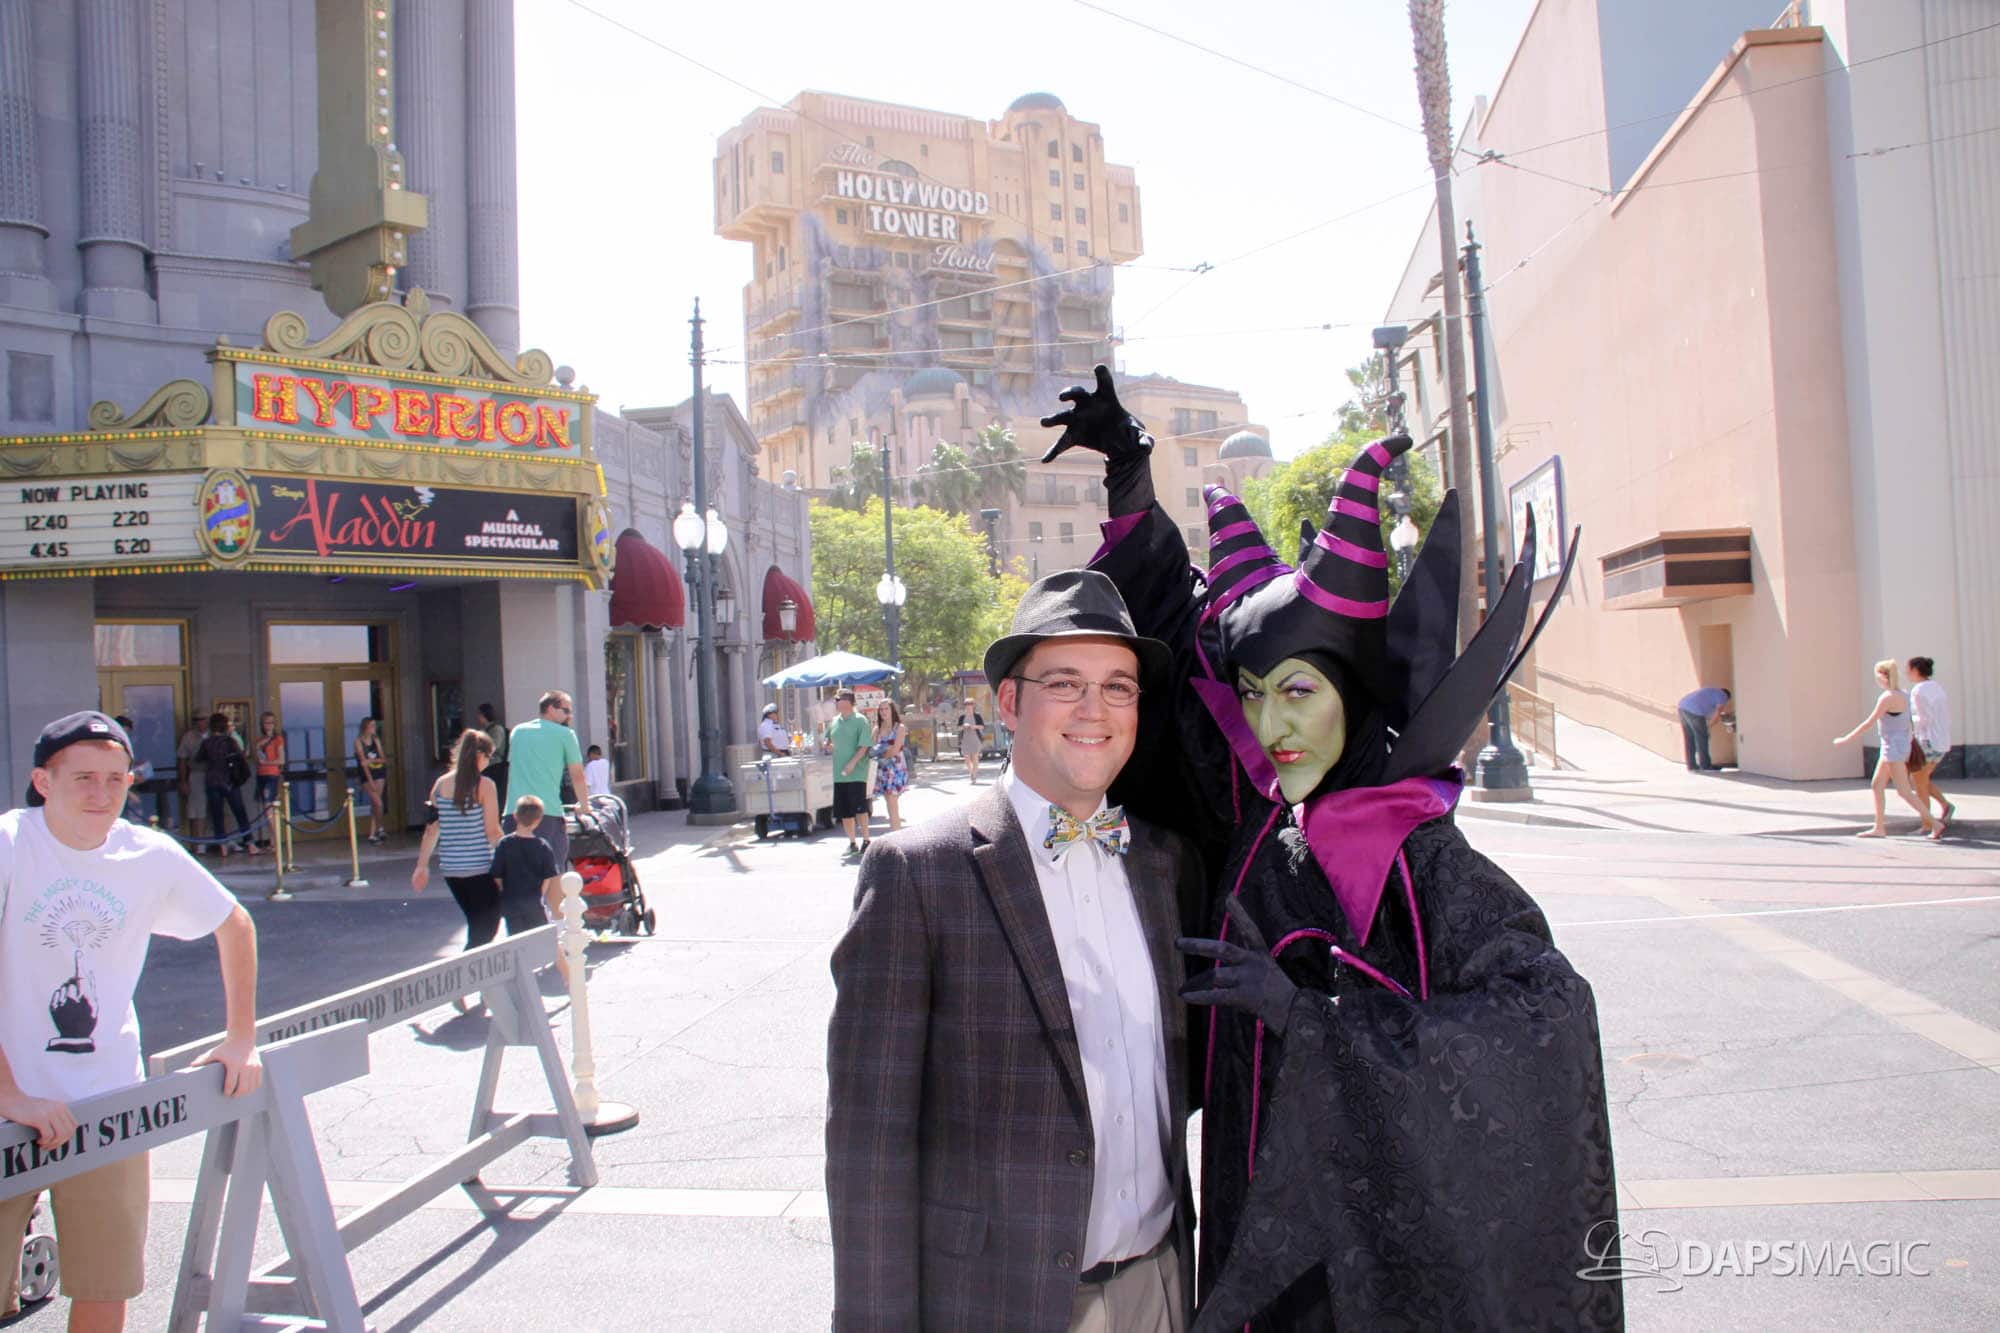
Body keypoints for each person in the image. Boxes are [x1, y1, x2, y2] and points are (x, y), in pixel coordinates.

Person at [1051, 366, 1620, 1330]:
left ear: (1353, 695)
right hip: (1252, 1205)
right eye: (1255, 693)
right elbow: (1178, 646)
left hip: (1368, 1263)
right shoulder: (1263, 814)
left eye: (1300, 692)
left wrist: (1311, 1020)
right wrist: (1132, 477)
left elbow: (1545, 1020)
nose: (1270, 724)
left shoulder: (1417, 853)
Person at [827, 571, 1203, 1332]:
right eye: (1064, 683)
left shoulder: (1166, 862)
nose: (1095, 709)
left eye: (1118, 687)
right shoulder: (918, 873)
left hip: (1162, 1284)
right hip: (998, 1302)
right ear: (1008, 702)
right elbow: (870, 1146)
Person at [0, 711, 262, 1331]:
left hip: (106, 1100)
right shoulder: (11, 845)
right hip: (9, 1103)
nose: (102, 793)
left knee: (106, 1284)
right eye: (83, 778)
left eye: (115, 779)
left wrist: (241, 1040)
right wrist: (9, 1093)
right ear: (43, 781)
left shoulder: (147, 854)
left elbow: (235, 924)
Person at [411, 730, 505, 951]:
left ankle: (473, 969)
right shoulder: (485, 785)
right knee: (484, 931)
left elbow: (432, 830)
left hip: (452, 870)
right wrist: (508, 857)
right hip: (479, 868)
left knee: (477, 926)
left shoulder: (440, 785)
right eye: (489, 756)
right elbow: (492, 831)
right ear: (479, 755)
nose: (489, 762)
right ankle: (467, 970)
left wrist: (422, 866)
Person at [505, 690, 587, 917]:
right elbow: (577, 775)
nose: (569, 715)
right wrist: (585, 806)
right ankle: (559, 928)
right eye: (566, 710)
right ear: (550, 708)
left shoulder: (518, 732)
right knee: (554, 875)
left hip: (512, 814)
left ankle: (521, 928)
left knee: (518, 876)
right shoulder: (565, 734)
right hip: (547, 813)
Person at [1833, 658, 1932, 838]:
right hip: (1894, 746)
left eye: (1878, 675)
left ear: (1884, 676)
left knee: (1904, 791)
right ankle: (1879, 827)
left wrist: (1846, 739)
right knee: (1877, 785)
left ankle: (1934, 823)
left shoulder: (1888, 697)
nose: (1876, 678)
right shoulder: (1903, 694)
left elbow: (1869, 722)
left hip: (1893, 748)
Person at [490, 796, 563, 981]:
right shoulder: (543, 846)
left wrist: (503, 891)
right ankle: (566, 975)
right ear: (538, 820)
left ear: (515, 816)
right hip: (533, 901)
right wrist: (540, 894)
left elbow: (497, 876)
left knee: (516, 941)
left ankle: (522, 977)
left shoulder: (504, 844)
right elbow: (548, 876)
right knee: (545, 939)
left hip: (511, 901)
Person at [1907, 656, 1954, 840]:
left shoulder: (1918, 691)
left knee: (1918, 782)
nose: (1907, 673)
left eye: (1909, 669)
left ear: (1915, 670)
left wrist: (1908, 721)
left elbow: (1923, 719)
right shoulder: (1937, 687)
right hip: (1941, 741)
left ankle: (1928, 824)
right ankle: (1945, 805)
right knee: (1921, 779)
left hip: (1927, 741)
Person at [198, 713, 255, 858]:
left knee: (217, 815)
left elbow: (199, 758)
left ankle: (222, 846)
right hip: (230, 781)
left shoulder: (207, 742)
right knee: (240, 813)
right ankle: (250, 844)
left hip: (212, 780)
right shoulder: (229, 741)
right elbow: (241, 756)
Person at [827, 690, 873, 857]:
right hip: (839, 774)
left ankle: (866, 841)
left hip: (857, 773)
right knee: (845, 812)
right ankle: (852, 843)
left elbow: (865, 745)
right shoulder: (834, 721)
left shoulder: (861, 720)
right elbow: (828, 739)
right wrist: (827, 744)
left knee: (860, 809)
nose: (835, 702)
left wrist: (853, 762)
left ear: (847, 701)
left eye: (837, 699)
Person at [868, 700, 910, 833]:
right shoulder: (877, 729)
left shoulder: (900, 728)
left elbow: (895, 750)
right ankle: (896, 833)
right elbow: (871, 749)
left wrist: (880, 753)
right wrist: (880, 753)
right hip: (882, 770)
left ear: (892, 710)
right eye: (881, 710)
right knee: (889, 803)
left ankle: (897, 835)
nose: (883, 712)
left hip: (896, 769)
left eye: (886, 709)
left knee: (892, 803)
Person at [351, 716, 389, 845]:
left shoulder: (375, 740)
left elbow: (383, 759)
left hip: (379, 772)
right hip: (367, 775)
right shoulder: (358, 742)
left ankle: (373, 834)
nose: (374, 728)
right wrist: (370, 780)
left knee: (376, 804)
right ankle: (380, 827)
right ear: (365, 727)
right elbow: (363, 763)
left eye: (374, 725)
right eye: (371, 726)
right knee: (378, 803)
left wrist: (372, 760)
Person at [1676, 685, 1731, 771]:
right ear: (1727, 698)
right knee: (1702, 738)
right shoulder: (1722, 696)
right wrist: (1708, 727)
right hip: (1694, 710)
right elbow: (1717, 715)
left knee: (1689, 738)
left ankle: (1691, 765)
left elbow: (1707, 713)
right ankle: (1705, 766)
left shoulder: (1711, 691)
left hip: (1682, 707)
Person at [252, 712, 284, 851]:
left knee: (268, 807)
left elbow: (281, 760)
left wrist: (266, 762)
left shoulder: (278, 739)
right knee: (266, 809)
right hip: (261, 774)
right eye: (266, 722)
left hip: (271, 774)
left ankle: (276, 840)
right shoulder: (259, 740)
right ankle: (272, 840)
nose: (269, 725)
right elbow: (256, 757)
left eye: (271, 723)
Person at [176, 710, 207, 839]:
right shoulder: (188, 737)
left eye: (203, 719)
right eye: (197, 720)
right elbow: (182, 759)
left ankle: (225, 843)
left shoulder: (215, 734)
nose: (200, 722)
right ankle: (199, 843)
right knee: (197, 812)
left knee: (221, 809)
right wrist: (183, 781)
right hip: (197, 774)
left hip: (216, 775)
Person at [477, 702, 509, 797]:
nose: (477, 717)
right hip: (486, 767)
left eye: (479, 714)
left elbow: (493, 747)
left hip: (495, 767)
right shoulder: (484, 730)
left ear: (484, 715)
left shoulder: (496, 729)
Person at [956, 698, 985, 783]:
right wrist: (963, 726)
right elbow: (958, 728)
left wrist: (974, 727)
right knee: (967, 759)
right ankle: (971, 772)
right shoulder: (962, 717)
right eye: (967, 706)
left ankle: (974, 775)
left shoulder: (977, 716)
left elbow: (982, 726)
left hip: (975, 739)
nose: (968, 707)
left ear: (973, 706)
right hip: (965, 740)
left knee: (975, 757)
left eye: (970, 705)